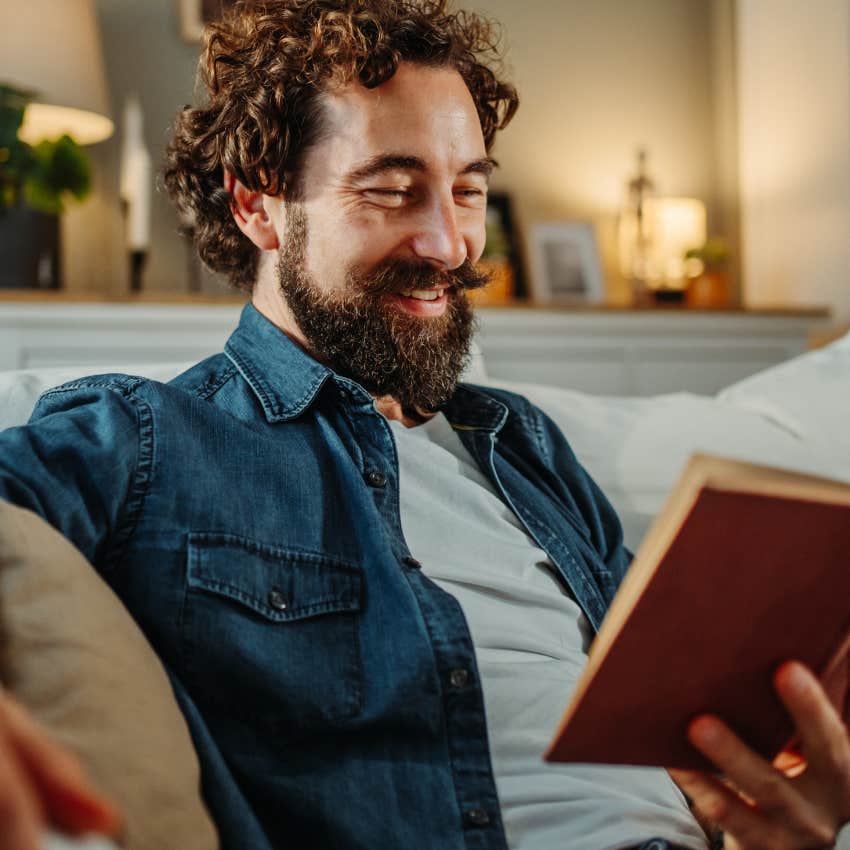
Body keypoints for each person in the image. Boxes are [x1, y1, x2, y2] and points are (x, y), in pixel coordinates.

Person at [0, 1, 848, 848]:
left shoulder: (526, 449)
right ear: (259, 205)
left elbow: (680, 725)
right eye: (394, 190)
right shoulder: (149, 437)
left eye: (469, 190)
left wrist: (782, 813)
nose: (449, 243)